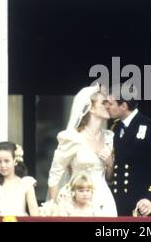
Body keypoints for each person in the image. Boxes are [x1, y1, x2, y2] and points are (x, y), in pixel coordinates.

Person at [47, 84, 117, 216]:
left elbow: (109, 177)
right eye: (104, 103)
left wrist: (109, 164)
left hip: (104, 201)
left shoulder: (109, 137)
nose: (108, 106)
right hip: (76, 201)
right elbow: (55, 176)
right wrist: (53, 207)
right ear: (90, 108)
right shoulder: (71, 138)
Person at [107, 84, 151, 216]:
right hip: (116, 204)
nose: (107, 106)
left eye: (110, 103)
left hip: (141, 205)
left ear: (124, 105)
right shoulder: (115, 128)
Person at [0, 142, 39, 216]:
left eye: (7, 161)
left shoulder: (26, 183)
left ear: (15, 161)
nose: (3, 165)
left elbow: (34, 210)